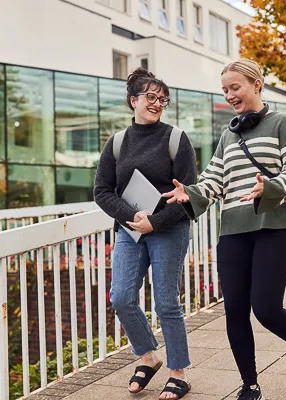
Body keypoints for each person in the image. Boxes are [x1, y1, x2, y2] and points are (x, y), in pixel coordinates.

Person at [163, 59, 286, 400]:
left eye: (235, 87)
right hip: (232, 232)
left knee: (265, 308)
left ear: (256, 84)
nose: (229, 95)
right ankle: (249, 385)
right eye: (224, 90)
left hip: (274, 226)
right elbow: (213, 180)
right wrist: (188, 192)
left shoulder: (283, 123)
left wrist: (271, 187)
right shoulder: (228, 134)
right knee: (234, 309)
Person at [94, 68, 197, 399]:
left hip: (169, 228)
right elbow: (102, 191)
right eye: (150, 97)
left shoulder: (176, 140)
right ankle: (149, 357)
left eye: (162, 99)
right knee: (121, 297)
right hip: (130, 230)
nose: (156, 103)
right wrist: (131, 216)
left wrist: (157, 221)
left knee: (166, 301)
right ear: (133, 100)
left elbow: (190, 194)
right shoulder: (117, 143)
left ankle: (178, 372)